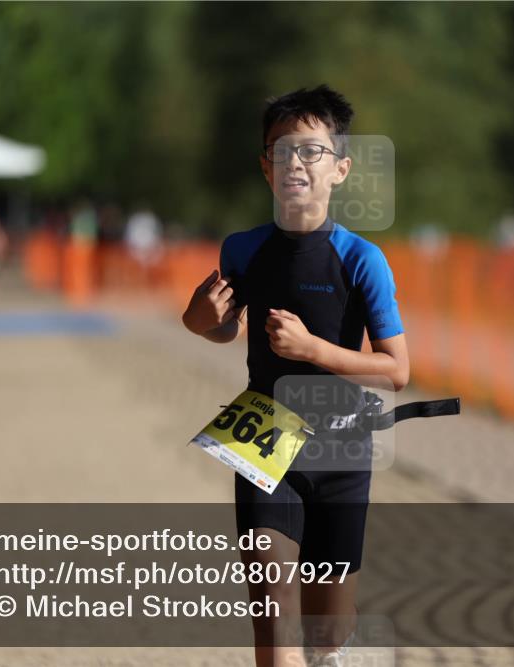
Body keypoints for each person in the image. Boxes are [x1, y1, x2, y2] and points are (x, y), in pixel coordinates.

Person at [181, 85, 409, 667]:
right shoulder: (243, 250)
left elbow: (396, 371)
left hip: (342, 450)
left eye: (311, 151)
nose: (295, 163)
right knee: (274, 628)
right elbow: (223, 327)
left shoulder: (362, 260)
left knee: (328, 637)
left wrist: (313, 350)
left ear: (340, 169)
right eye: (281, 151)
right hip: (265, 436)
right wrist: (201, 321)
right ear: (265, 166)